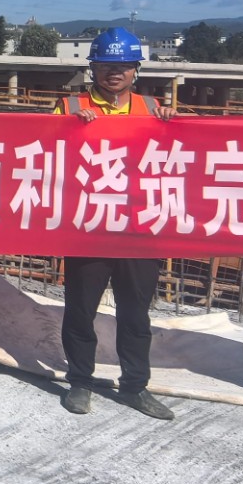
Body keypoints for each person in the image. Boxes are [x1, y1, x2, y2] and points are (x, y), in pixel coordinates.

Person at [52, 27, 177, 420]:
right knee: (80, 310)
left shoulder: (153, 108)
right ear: (93, 67)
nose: (114, 72)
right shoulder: (70, 106)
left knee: (135, 315)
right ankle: (80, 382)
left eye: (123, 65)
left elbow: (181, 155)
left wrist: (173, 125)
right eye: (106, 64)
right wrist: (69, 128)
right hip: (88, 227)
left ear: (136, 69)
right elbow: (44, 151)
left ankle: (135, 386)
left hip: (138, 230)